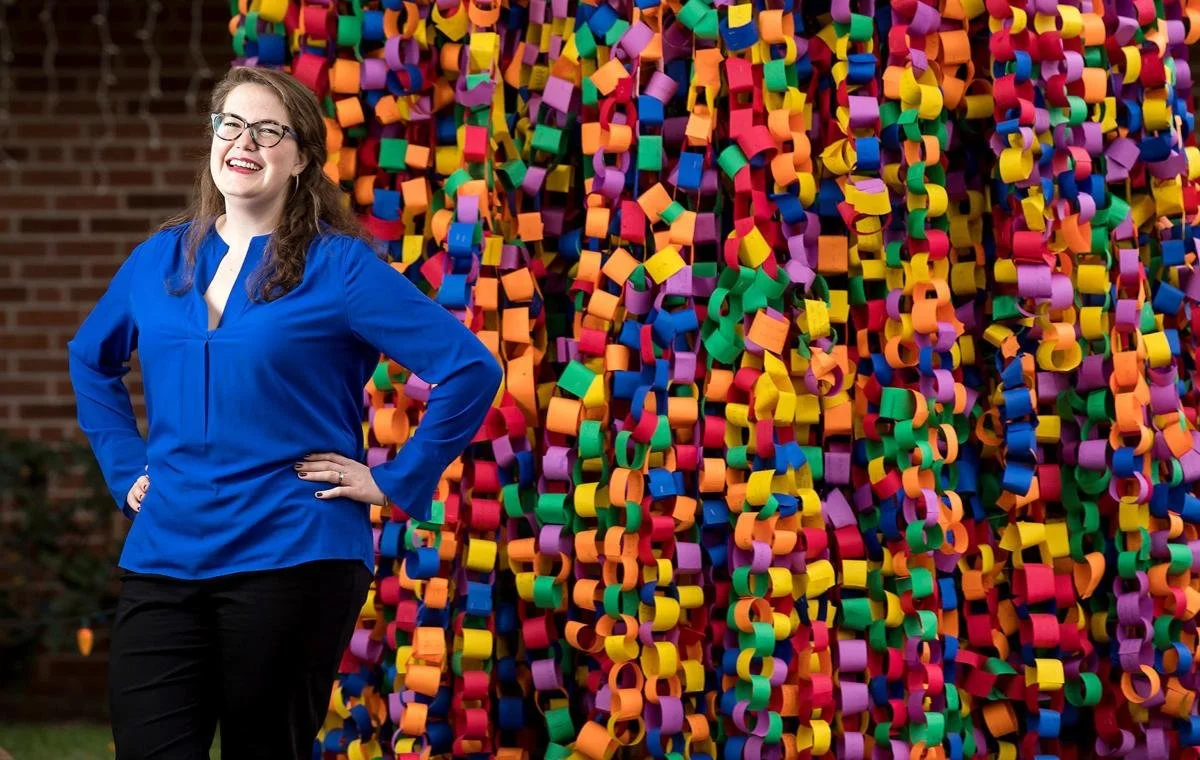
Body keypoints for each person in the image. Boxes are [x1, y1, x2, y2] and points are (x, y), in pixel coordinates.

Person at [66, 66, 504, 759]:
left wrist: (394, 480)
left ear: (301, 157)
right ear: (213, 139)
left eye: (270, 131)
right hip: (166, 551)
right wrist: (126, 468)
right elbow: (91, 360)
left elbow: (471, 369)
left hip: (292, 550)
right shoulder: (157, 260)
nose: (246, 143)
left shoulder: (343, 270)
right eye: (231, 125)